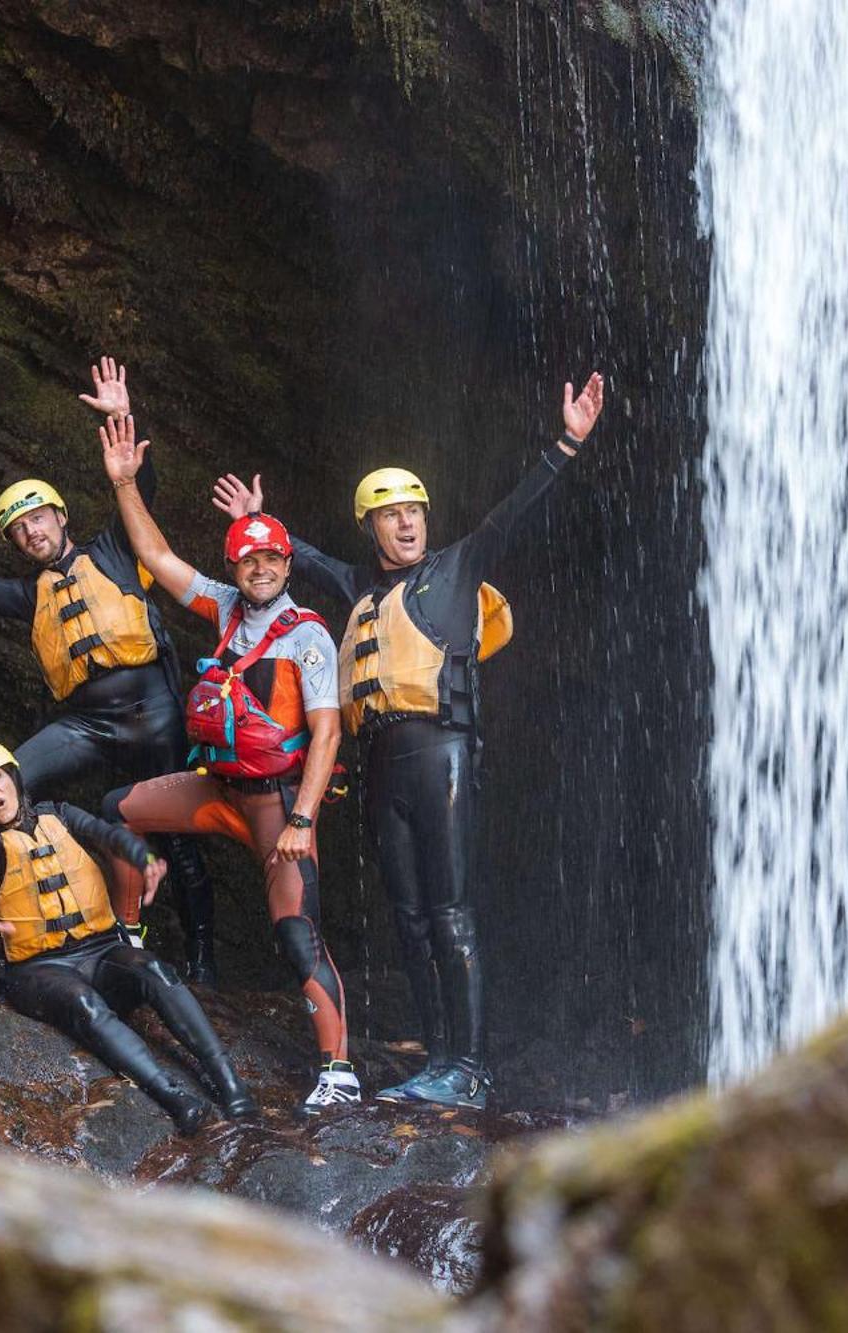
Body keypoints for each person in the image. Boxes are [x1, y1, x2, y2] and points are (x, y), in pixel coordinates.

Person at [213, 372, 606, 1108]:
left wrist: (567, 442)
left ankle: (472, 1066)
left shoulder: (454, 568)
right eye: (390, 514)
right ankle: (438, 1057)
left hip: (440, 751)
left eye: (414, 511)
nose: (406, 523)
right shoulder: (361, 586)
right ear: (371, 525)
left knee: (451, 908)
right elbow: (313, 562)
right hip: (381, 764)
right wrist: (267, 521)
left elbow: (509, 518)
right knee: (409, 913)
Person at [0, 359, 217, 984]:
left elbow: (143, 490)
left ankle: (202, 958)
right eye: (18, 528)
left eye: (38, 518)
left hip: (154, 711)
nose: (31, 531)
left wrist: (119, 417)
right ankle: (18, 920)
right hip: (87, 723)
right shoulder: (28, 597)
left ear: (61, 518)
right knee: (3, 782)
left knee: (181, 840)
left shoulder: (111, 548)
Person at [96, 413, 358, 1117]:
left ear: (286, 563)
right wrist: (125, 484)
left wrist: (302, 819)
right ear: (236, 566)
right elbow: (156, 558)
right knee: (120, 809)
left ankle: (339, 1067)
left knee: (296, 933)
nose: (261, 569)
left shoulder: (306, 635)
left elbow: (327, 733)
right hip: (218, 789)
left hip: (279, 804)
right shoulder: (221, 607)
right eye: (249, 561)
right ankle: (127, 938)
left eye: (271, 559)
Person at [0, 740, 257, 1135]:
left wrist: (144, 859)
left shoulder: (61, 815)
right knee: (85, 1004)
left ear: (13, 777)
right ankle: (175, 1098)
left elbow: (110, 835)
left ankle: (230, 1083)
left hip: (102, 951)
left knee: (154, 969)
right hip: (39, 970)